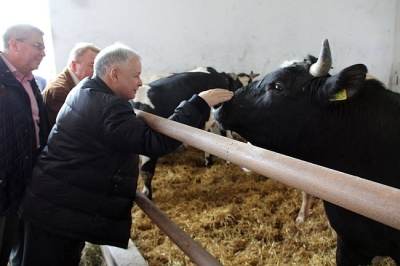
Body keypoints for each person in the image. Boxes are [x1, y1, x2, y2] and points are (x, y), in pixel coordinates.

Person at [20, 43, 233, 265]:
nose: (140, 82)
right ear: (114, 74)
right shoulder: (107, 106)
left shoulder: (85, 90)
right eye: (136, 75)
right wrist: (198, 103)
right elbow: (156, 143)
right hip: (59, 210)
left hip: (57, 204)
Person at [0, 24, 49, 266]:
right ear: (14, 44)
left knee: (13, 244)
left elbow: (36, 125)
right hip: (3, 184)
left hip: (21, 181)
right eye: (38, 46)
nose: (43, 53)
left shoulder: (29, 79)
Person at [42, 42, 100, 128]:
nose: (97, 72)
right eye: (92, 65)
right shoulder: (59, 91)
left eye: (98, 67)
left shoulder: (80, 83)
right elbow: (71, 128)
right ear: (74, 65)